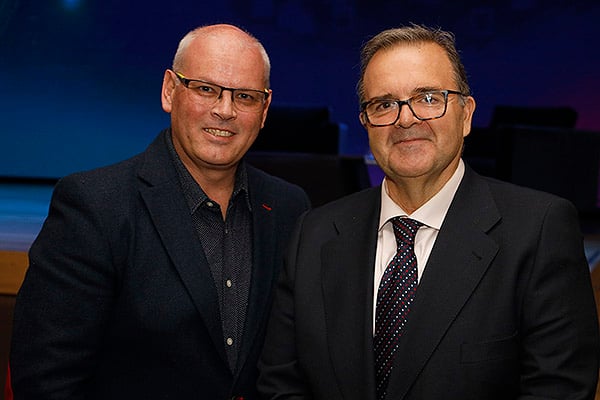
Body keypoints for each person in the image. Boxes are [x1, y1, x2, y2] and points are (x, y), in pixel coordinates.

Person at [257, 23, 600, 400]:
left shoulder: (539, 230)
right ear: (366, 123)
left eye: (429, 98)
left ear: (466, 114)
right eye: (384, 104)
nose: (406, 119)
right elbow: (280, 384)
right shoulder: (315, 233)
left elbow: (558, 391)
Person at [9, 23, 311, 399]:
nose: (225, 110)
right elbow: (47, 380)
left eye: (245, 97)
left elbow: (294, 362)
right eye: (206, 89)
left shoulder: (288, 207)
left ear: (264, 110)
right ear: (170, 90)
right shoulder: (94, 204)